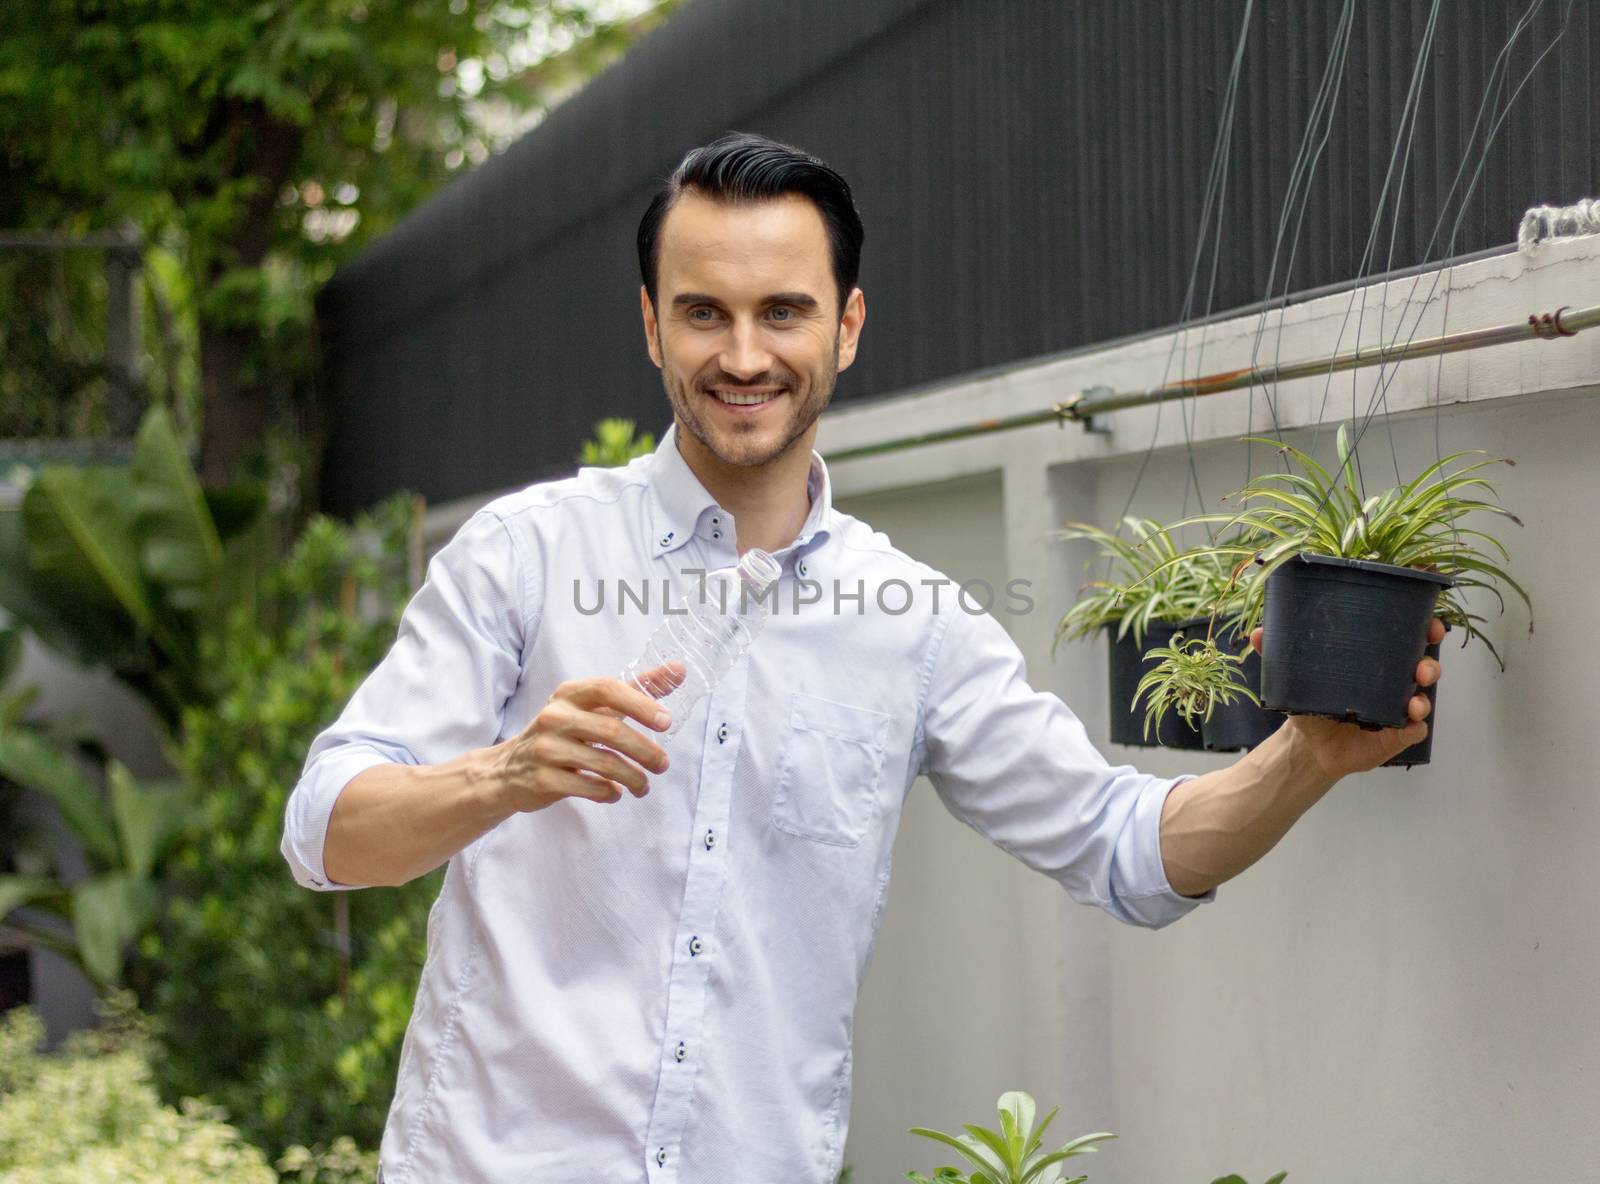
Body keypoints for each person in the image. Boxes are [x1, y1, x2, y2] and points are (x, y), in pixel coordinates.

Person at [281, 132, 1443, 1184]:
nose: (743, 355)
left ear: (845, 325)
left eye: (782, 311)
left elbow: (1124, 848)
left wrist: (1307, 757)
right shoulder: (525, 556)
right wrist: (504, 773)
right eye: (703, 313)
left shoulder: (915, 623)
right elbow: (327, 828)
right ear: (649, 323)